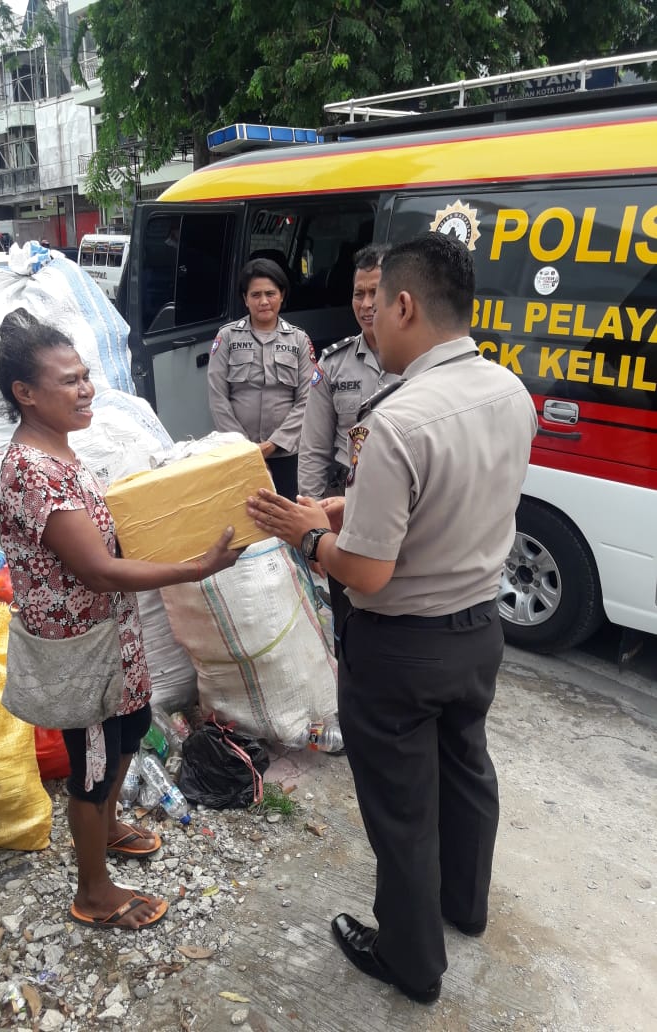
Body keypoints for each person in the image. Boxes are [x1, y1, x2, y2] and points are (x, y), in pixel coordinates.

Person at [247, 233, 537, 1003]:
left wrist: (306, 533)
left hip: (401, 647)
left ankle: (412, 961)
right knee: (467, 768)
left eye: (381, 306)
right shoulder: (511, 392)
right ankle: (464, 907)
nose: (370, 321)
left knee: (402, 808)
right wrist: (348, 503)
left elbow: (366, 568)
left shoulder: (398, 421)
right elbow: (457, 495)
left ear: (405, 304)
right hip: (478, 630)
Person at [0, 308, 240, 931]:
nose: (86, 390)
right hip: (83, 650)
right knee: (92, 770)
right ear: (25, 394)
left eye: (86, 376)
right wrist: (192, 568)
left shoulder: (62, 453)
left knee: (127, 735)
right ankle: (94, 892)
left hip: (116, 640)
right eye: (69, 381)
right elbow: (99, 571)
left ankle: (102, 831)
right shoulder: (32, 472)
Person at [297, 243, 399, 648]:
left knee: (392, 600)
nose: (367, 304)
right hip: (342, 499)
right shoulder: (333, 364)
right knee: (346, 609)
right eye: (360, 293)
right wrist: (308, 522)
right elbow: (314, 448)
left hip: (397, 499)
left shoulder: (419, 362)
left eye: (377, 292)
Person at [208, 257, 315, 500]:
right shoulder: (227, 337)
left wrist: (272, 444)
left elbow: (307, 400)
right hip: (237, 453)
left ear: (282, 295)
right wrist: (245, 449)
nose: (264, 301)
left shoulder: (298, 340)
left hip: (286, 454)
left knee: (287, 518)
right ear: (245, 299)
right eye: (255, 295)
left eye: (270, 293)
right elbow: (218, 398)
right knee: (244, 521)